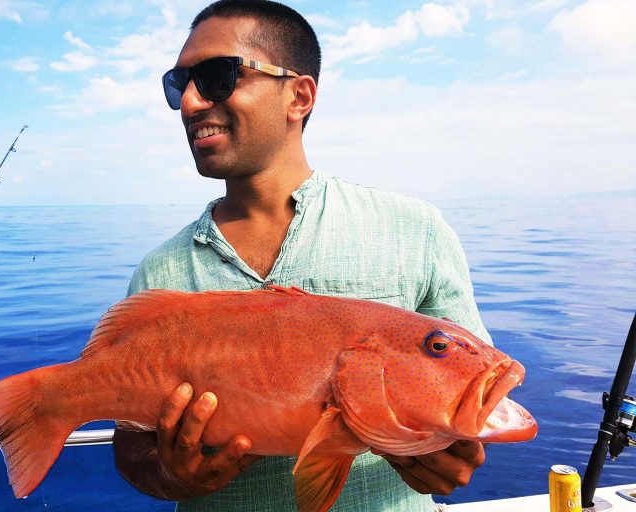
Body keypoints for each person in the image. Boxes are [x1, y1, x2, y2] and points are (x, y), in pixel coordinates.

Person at [113, 1, 490, 510]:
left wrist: (453, 455)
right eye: (179, 85)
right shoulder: (160, 271)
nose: (190, 103)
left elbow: (469, 391)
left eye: (218, 76)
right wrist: (171, 476)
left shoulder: (415, 230)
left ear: (299, 95)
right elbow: (131, 447)